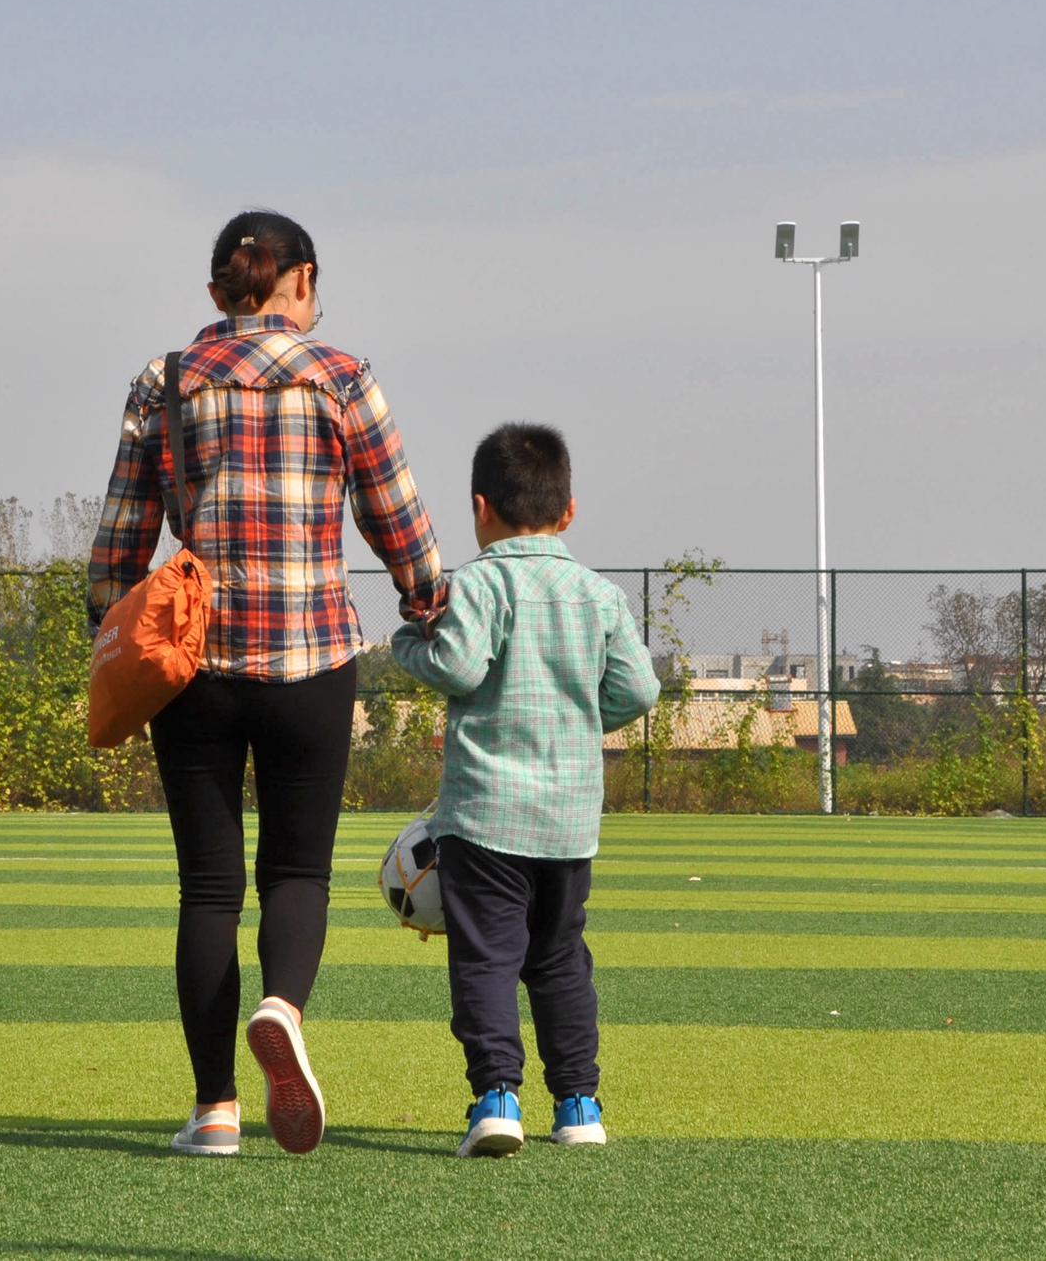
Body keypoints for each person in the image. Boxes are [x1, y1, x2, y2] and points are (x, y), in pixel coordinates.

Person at [88, 211, 446, 1156]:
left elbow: (121, 545)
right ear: (305, 282)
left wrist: (109, 629)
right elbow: (396, 519)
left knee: (206, 889)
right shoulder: (341, 376)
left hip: (192, 669)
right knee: (298, 871)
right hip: (313, 659)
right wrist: (428, 598)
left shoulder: (162, 383)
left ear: (215, 294)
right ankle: (281, 1006)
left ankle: (213, 1110)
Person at [390, 422, 659, 1157]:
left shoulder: (478, 582)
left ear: (480, 509)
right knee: (560, 957)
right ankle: (578, 1103)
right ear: (567, 511)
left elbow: (460, 666)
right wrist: (581, 720)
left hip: (484, 817)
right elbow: (640, 688)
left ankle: (496, 1095)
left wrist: (406, 642)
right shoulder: (598, 595)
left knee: (485, 959)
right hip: (570, 823)